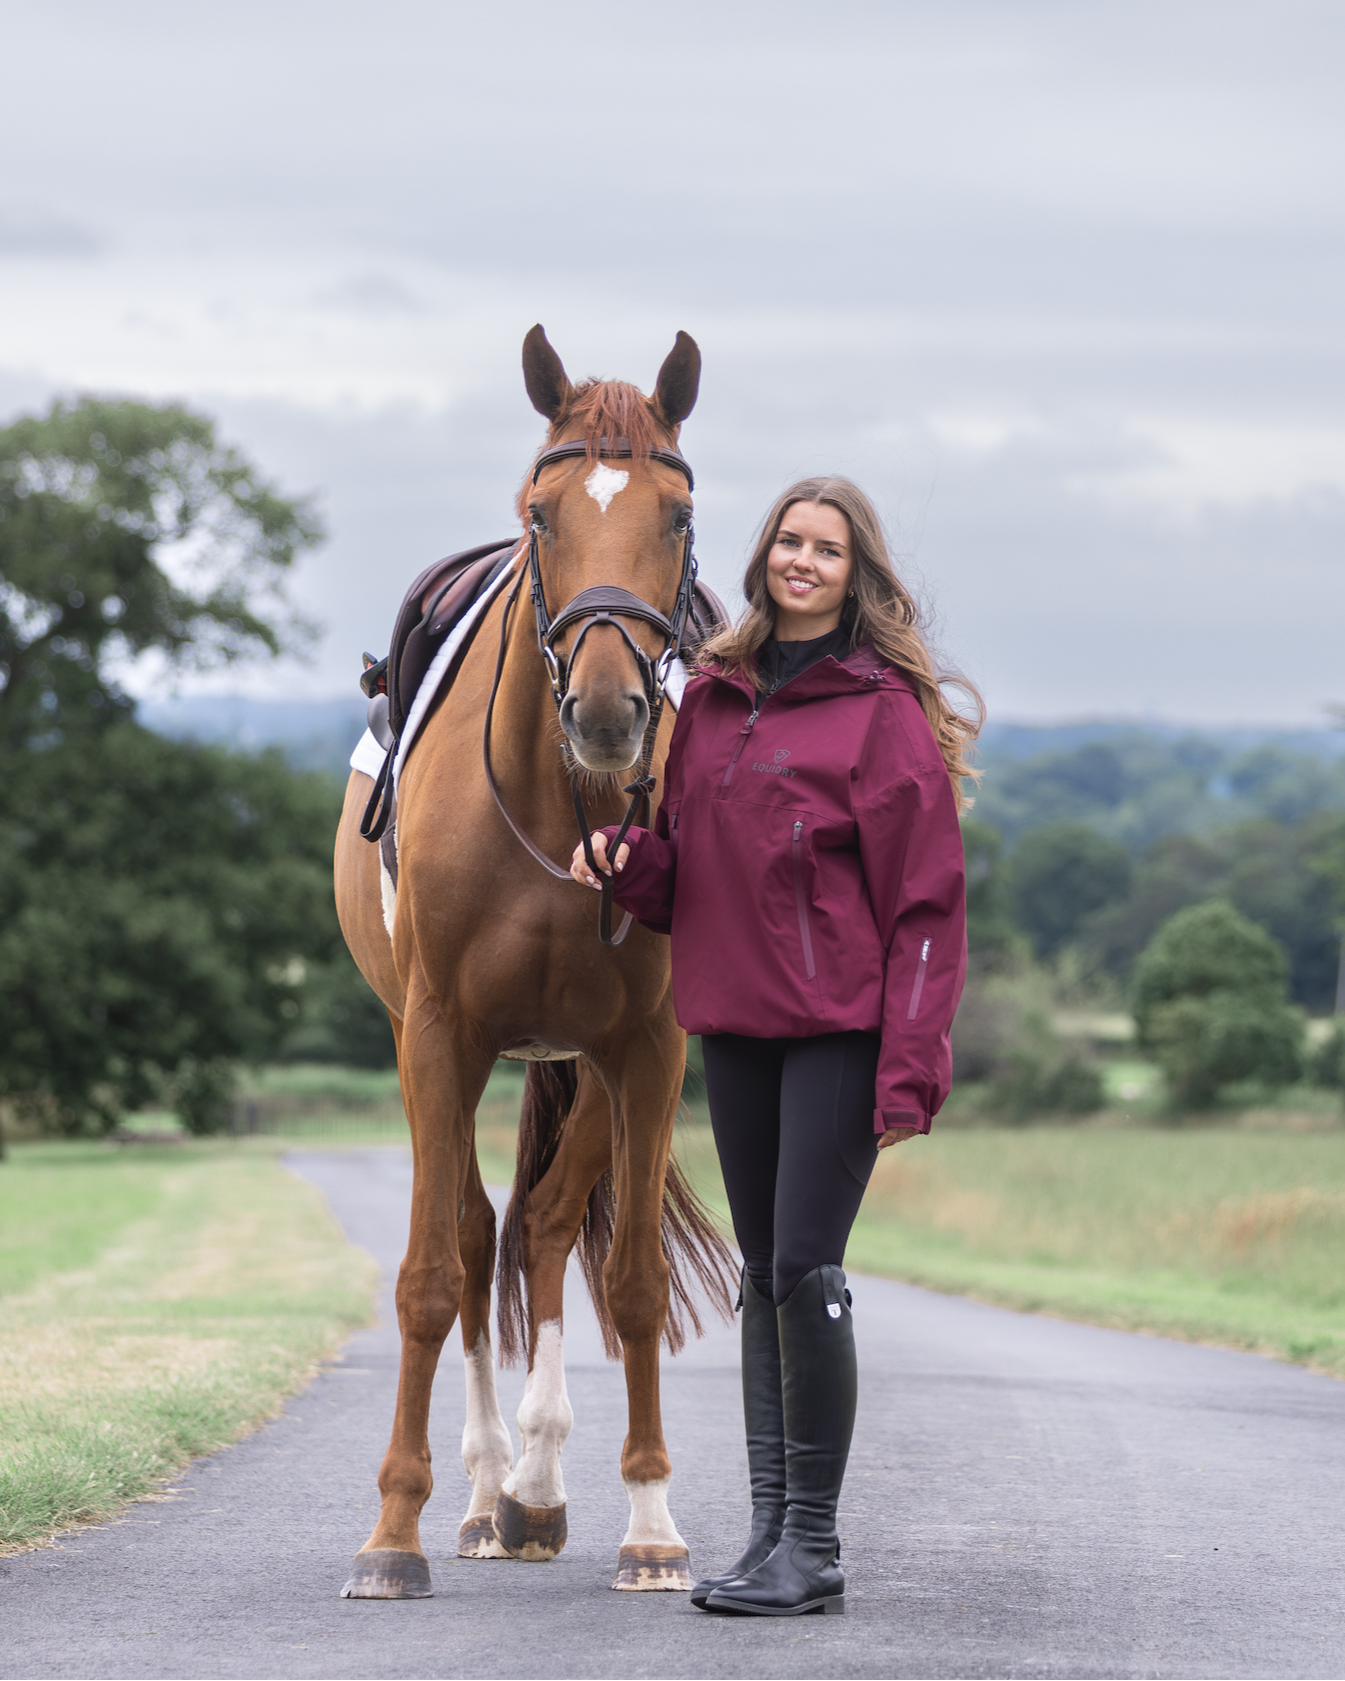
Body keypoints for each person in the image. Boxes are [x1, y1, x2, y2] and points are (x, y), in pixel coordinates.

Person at [569, 476, 978, 1617]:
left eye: (827, 550)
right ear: (762, 556)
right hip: (737, 1025)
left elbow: (928, 906)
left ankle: (814, 1545)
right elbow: (689, 870)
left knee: (804, 1269)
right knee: (761, 1277)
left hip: (842, 1030)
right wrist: (627, 864)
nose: (803, 561)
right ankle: (765, 1538)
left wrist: (911, 1065)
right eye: (790, 541)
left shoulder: (881, 709)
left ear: (857, 575)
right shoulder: (708, 697)